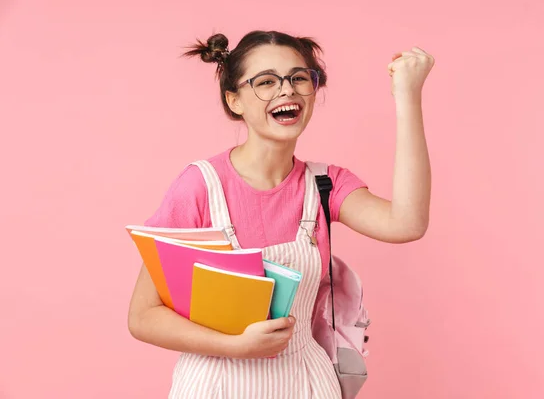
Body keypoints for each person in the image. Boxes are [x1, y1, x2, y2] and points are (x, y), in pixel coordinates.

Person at [127, 30, 434, 398]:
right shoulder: (200, 186)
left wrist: (408, 97)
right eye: (266, 81)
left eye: (299, 78)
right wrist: (235, 346)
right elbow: (143, 316)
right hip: (215, 384)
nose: (286, 90)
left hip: (306, 382)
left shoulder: (325, 185)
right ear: (234, 100)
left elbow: (407, 223)